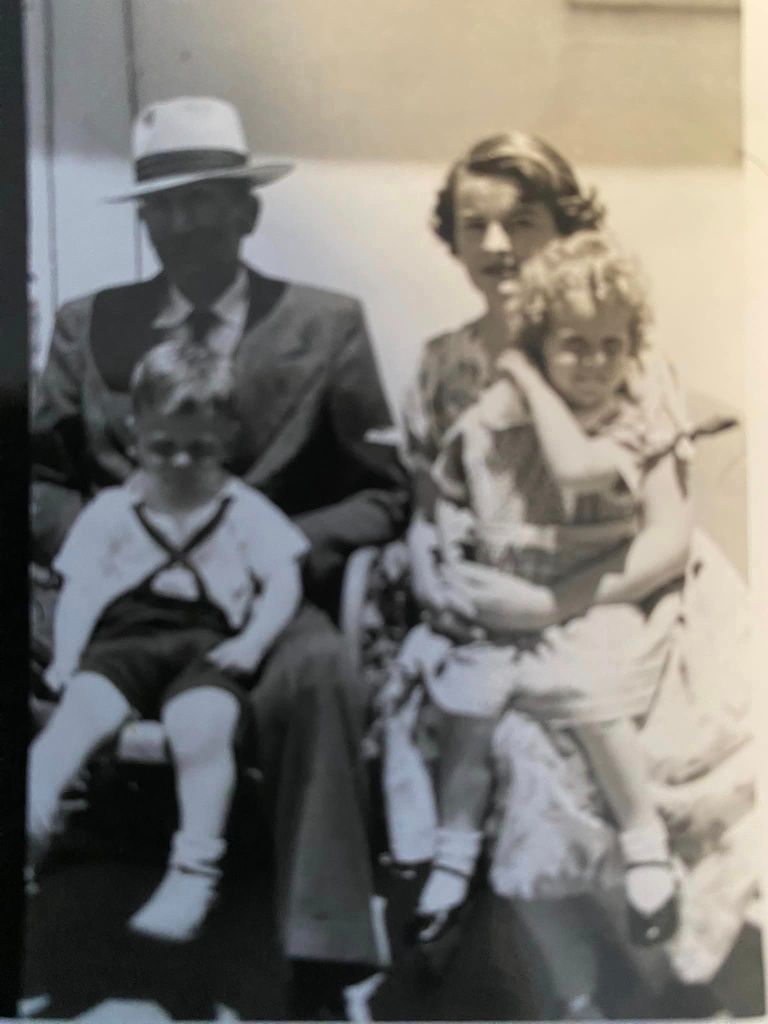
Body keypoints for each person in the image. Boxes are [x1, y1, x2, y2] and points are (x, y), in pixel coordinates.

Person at [31, 96, 408, 1014]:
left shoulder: (326, 324)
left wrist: (268, 552)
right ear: (146, 218)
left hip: (263, 602)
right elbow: (36, 476)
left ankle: (320, 951)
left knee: (320, 671)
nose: (188, 221)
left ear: (249, 211)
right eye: (166, 203)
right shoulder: (92, 327)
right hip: (126, 596)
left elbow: (383, 490)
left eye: (209, 200)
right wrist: (100, 550)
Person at [391, 132, 755, 1015]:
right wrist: (439, 574)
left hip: (634, 590)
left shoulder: (623, 356)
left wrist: (551, 601)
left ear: (565, 227)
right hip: (495, 606)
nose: (498, 245)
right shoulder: (445, 365)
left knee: (669, 734)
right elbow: (431, 508)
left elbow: (666, 536)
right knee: (511, 738)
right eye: (475, 224)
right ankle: (575, 994)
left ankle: (671, 972)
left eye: (524, 221)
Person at [403, 230, 702, 950]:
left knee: (587, 693)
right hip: (505, 599)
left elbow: (576, 472)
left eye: (611, 345)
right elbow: (446, 492)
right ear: (540, 341)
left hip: (590, 596)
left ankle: (643, 842)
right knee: (466, 708)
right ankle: (452, 849)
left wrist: (529, 379)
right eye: (573, 345)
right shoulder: (490, 424)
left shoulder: (628, 425)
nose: (595, 364)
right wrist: (449, 549)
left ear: (632, 347)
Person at [29, 340, 307, 943]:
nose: (181, 463)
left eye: (200, 450)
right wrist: (70, 656)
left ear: (228, 438)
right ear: (135, 435)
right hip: (125, 640)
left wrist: (255, 642)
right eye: (163, 448)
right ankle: (33, 812)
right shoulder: (113, 509)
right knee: (80, 712)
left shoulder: (242, 509)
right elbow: (77, 590)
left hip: (206, 645)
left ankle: (194, 868)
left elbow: (284, 579)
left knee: (203, 725)